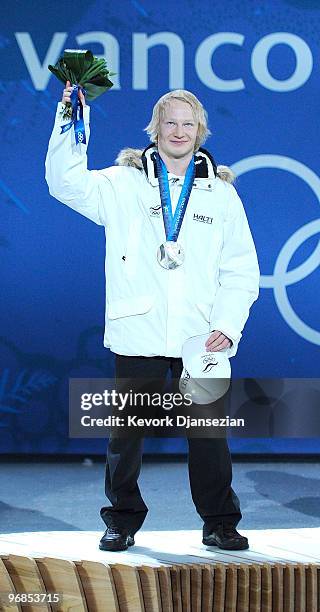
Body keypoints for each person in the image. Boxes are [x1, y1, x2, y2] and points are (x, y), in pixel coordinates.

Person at [45, 82, 260, 552]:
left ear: (200, 131)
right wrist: (68, 123)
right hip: (137, 329)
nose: (178, 131)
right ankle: (121, 519)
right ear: (155, 129)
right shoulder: (121, 183)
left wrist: (226, 325)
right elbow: (63, 183)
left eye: (188, 123)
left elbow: (241, 268)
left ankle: (219, 521)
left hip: (201, 337)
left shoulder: (221, 195)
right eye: (170, 122)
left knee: (208, 435)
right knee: (127, 433)